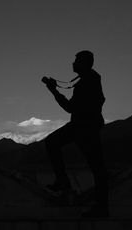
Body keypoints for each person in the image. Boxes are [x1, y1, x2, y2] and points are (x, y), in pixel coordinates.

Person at [41, 50, 108, 217]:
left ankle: (101, 207)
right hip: (83, 126)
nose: (73, 63)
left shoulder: (87, 82)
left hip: (84, 128)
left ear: (84, 63)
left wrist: (53, 90)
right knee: (96, 166)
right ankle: (63, 182)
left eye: (76, 60)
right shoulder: (89, 79)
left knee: (97, 167)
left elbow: (70, 108)